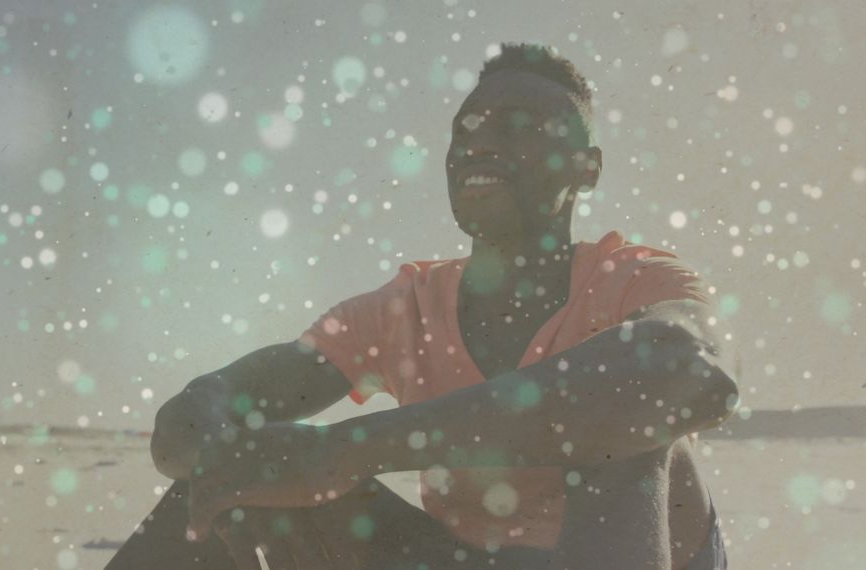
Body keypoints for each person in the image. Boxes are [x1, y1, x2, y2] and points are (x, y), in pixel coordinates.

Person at [106, 42, 740, 570]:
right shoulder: (404, 309)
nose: (482, 143)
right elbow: (203, 412)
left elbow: (691, 373)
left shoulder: (632, 280)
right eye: (467, 129)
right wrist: (218, 444)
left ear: (587, 168)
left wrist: (346, 450)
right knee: (239, 474)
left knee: (621, 428)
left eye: (520, 127)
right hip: (462, 557)